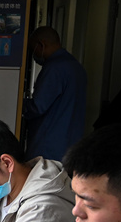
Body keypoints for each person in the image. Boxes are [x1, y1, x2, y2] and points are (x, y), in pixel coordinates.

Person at [23, 25, 87, 161]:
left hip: (48, 146)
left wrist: (18, 104)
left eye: (33, 49)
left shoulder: (54, 68)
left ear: (41, 45)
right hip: (70, 145)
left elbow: (38, 106)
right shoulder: (75, 66)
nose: (33, 54)